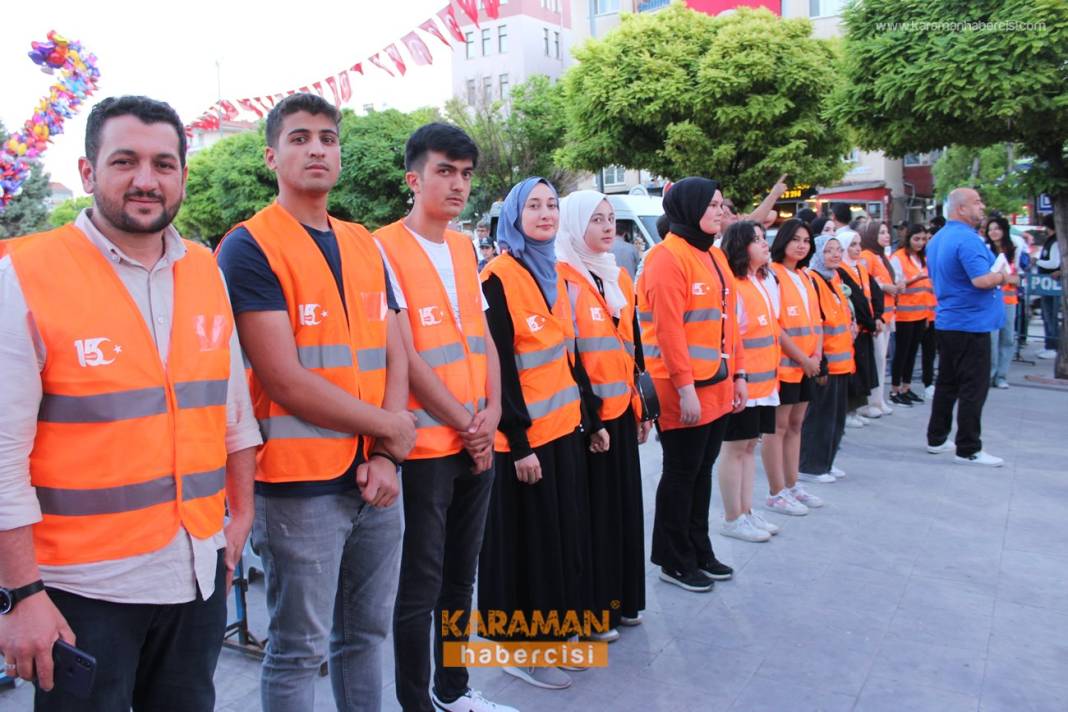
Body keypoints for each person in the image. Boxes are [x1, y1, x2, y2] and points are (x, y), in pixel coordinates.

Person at [0, 96, 259, 711]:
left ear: (182, 176)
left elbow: (231, 411)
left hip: (197, 574)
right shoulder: (24, 275)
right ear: (89, 172)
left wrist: (241, 517)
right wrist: (20, 594)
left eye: (163, 164)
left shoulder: (205, 268)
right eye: (125, 161)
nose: (147, 180)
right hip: (81, 592)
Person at [216, 93, 415, 712]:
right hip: (298, 487)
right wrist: (392, 427)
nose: (317, 149)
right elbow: (284, 378)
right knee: (299, 649)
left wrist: (387, 453)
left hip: (376, 480)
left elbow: (394, 350)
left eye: (327, 138)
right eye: (299, 138)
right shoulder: (248, 246)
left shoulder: (363, 243)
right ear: (272, 155)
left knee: (365, 636)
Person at [374, 124, 514, 712]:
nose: (457, 184)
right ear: (415, 178)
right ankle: (415, 702)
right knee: (420, 586)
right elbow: (402, 353)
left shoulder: (463, 247)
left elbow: (480, 337)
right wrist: (466, 422)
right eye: (444, 171)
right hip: (425, 447)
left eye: (465, 173)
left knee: (462, 576)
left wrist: (494, 415)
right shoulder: (382, 248)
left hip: (476, 438)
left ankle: (453, 690)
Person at [478, 177, 597, 692]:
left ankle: (551, 640)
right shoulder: (498, 277)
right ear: (513, 215)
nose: (546, 214)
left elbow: (567, 356)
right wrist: (520, 442)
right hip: (523, 445)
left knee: (560, 540)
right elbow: (499, 366)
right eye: (534, 205)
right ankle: (518, 652)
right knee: (526, 548)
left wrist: (588, 420)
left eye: (552, 205)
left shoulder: (553, 272)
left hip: (564, 431)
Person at [637, 177, 743, 593]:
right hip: (680, 388)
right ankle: (673, 558)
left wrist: (739, 378)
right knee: (681, 473)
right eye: (713, 204)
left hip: (716, 385)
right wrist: (684, 390)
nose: (720, 211)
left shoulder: (713, 256)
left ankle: (699, 548)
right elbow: (668, 332)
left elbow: (727, 325)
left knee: (702, 473)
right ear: (689, 207)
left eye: (721, 204)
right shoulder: (666, 258)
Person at [556, 190, 649, 640]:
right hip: (587, 421)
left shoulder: (618, 276)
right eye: (596, 219)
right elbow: (569, 357)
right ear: (575, 225)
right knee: (593, 518)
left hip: (622, 412)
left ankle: (622, 600)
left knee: (623, 512)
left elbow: (632, 348)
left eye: (610, 218)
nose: (607, 227)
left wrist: (642, 407)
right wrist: (590, 420)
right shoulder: (561, 278)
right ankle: (592, 611)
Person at [925, 188, 1011, 466]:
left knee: (947, 382)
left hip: (949, 320)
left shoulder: (938, 238)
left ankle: (937, 438)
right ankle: (969, 448)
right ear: (961, 208)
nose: (982, 207)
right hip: (970, 324)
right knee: (974, 386)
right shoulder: (968, 240)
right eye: (977, 202)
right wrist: (1001, 276)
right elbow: (980, 280)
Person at [717, 222, 782, 542]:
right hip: (743, 385)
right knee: (735, 448)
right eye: (756, 240)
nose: (764, 244)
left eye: (763, 238)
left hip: (764, 385)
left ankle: (745, 510)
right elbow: (731, 341)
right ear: (741, 247)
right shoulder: (734, 285)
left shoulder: (759, 281)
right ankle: (732, 517)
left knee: (750, 447)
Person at [764, 219, 824, 511]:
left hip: (807, 365)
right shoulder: (772, 275)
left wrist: (816, 356)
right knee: (778, 426)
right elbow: (776, 326)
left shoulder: (807, 277)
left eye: (807, 241)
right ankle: (777, 492)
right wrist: (802, 358)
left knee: (797, 424)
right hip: (786, 365)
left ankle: (792, 484)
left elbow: (817, 320)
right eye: (796, 239)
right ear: (783, 241)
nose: (802, 245)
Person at [798, 234, 855, 483]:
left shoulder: (834, 279)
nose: (835, 254)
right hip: (827, 361)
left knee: (836, 418)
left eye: (838, 250)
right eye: (829, 250)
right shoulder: (814, 280)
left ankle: (827, 461)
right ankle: (811, 466)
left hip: (842, 362)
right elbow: (818, 322)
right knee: (820, 417)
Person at [838, 230, 884, 427]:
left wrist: (878, 316)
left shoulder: (860, 268)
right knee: (854, 371)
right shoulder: (840, 270)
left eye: (859, 244)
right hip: (854, 329)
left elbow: (874, 293)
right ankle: (848, 412)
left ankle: (857, 409)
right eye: (853, 245)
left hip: (865, 327)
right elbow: (855, 300)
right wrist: (871, 322)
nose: (857, 249)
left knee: (864, 370)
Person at [860, 221, 902, 415]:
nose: (886, 236)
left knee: (881, 360)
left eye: (887, 232)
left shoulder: (881, 256)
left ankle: (878, 399)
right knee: (876, 359)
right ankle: (871, 402)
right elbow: (865, 282)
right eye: (881, 232)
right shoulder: (867, 256)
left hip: (887, 313)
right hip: (877, 316)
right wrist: (886, 287)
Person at [889, 224, 932, 406]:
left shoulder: (922, 258)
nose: (920, 243)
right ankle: (895, 389)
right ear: (908, 239)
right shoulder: (898, 257)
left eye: (923, 239)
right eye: (917, 239)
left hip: (921, 312)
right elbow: (897, 284)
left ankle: (906, 387)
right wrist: (915, 279)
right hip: (904, 314)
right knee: (901, 352)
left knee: (913, 352)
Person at [983, 217, 1022, 389]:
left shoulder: (1014, 249)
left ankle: (1001, 375)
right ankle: (989, 374)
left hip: (1009, 299)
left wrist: (1006, 278)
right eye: (990, 229)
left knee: (1007, 338)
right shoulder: (985, 250)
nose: (993, 232)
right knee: (992, 338)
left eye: (997, 228)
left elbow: (1018, 278)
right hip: (990, 299)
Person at [1036, 213, 1061, 359]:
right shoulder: (1050, 241)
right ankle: (1049, 345)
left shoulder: (1055, 242)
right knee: (1047, 314)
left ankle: (1053, 346)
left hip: (1052, 284)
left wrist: (1036, 261)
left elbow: (1054, 263)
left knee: (1050, 314)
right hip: (1046, 284)